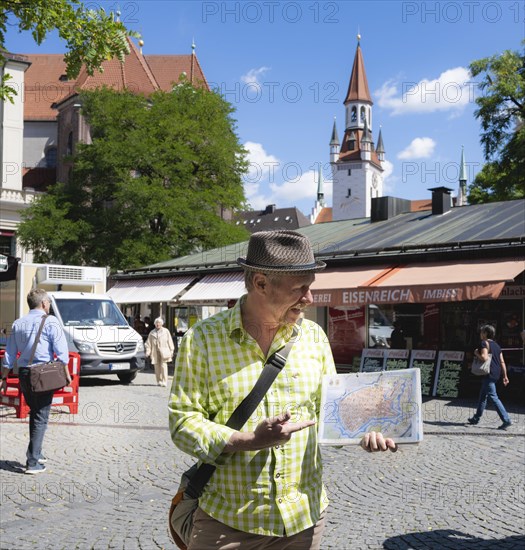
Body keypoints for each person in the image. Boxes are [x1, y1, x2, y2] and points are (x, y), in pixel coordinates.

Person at [168, 230, 396, 550]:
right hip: (227, 522)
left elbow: (330, 411)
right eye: (300, 288)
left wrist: (364, 430)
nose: (309, 298)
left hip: (304, 520)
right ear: (261, 283)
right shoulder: (202, 340)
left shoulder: (314, 337)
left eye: (310, 286)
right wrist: (250, 441)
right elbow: (183, 423)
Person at [1, 288, 69, 474]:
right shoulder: (51, 321)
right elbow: (62, 352)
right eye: (48, 303)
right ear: (44, 304)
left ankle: (37, 453)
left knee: (36, 414)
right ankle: (32, 462)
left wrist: (4, 375)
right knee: (41, 416)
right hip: (42, 374)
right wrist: (65, 370)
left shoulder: (18, 323)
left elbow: (10, 353)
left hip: (24, 374)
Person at [468, 324, 511, 430]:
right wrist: (505, 375)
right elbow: (502, 361)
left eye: (481, 332)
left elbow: (484, 357)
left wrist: (476, 353)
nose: (480, 334)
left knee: (493, 397)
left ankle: (506, 420)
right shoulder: (497, 345)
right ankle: (476, 418)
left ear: (485, 333)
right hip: (496, 373)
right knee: (483, 396)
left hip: (489, 373)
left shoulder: (484, 343)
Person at [145, 317, 174, 387]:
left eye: (159, 323)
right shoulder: (152, 333)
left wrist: (171, 350)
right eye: (156, 323)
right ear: (155, 324)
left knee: (163, 366)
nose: (158, 324)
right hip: (155, 352)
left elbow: (170, 341)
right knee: (156, 366)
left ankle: (164, 381)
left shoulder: (166, 331)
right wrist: (147, 352)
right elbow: (148, 343)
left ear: (162, 324)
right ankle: (159, 381)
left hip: (164, 351)